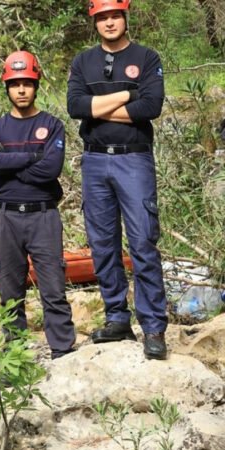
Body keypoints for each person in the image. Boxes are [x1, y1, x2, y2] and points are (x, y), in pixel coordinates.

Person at [67, 0, 168, 360]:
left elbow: (151, 108)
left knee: (142, 242)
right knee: (103, 244)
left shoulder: (147, 57)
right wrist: (128, 93)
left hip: (134, 161)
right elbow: (77, 107)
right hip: (95, 161)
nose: (109, 22)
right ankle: (116, 318)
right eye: (102, 17)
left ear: (125, 16)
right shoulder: (83, 61)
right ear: (94, 21)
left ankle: (153, 327)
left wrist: (100, 108)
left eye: (115, 15)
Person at [0, 50, 76, 359]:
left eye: (26, 83)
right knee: (10, 291)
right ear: (6, 87)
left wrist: (11, 164)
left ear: (36, 83)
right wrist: (32, 156)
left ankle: (62, 349)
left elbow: (51, 169)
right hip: (6, 217)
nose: (21, 90)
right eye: (14, 84)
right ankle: (16, 354)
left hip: (43, 216)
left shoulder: (52, 125)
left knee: (53, 287)